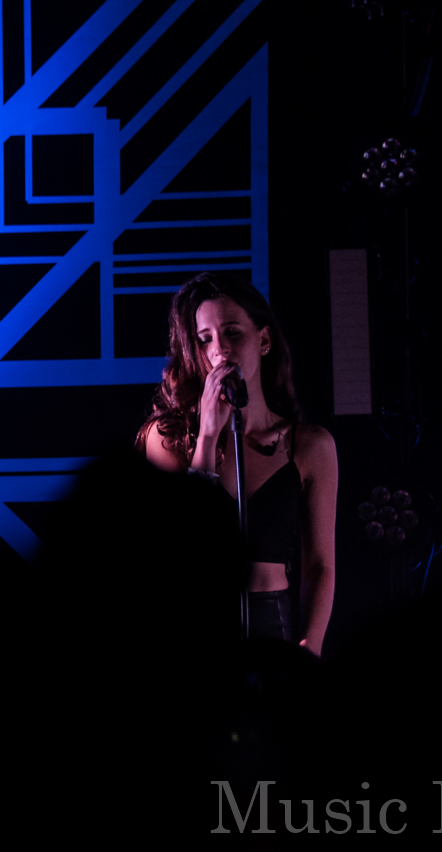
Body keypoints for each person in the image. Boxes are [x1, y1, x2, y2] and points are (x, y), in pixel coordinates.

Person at [137, 272, 336, 655]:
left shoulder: (310, 446)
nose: (221, 350)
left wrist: (310, 646)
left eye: (232, 333)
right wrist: (208, 436)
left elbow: (320, 565)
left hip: (272, 625)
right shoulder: (167, 439)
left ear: (263, 340)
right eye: (205, 339)